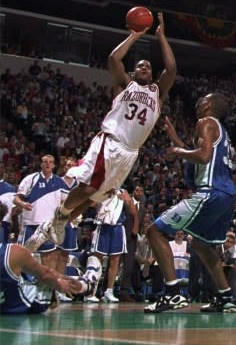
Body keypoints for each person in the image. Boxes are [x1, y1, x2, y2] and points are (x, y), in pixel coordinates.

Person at [29, 15, 176, 250]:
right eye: (140, 65)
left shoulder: (157, 93)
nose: (145, 67)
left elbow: (172, 68)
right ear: (133, 71)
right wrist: (135, 35)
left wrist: (161, 37)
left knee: (96, 196)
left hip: (130, 153)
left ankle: (58, 222)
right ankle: (60, 215)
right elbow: (113, 59)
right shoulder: (124, 84)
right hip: (111, 142)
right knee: (88, 187)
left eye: (148, 67)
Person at [144, 93, 236, 314]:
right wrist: (177, 140)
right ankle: (226, 298)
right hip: (227, 196)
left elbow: (203, 157)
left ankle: (172, 293)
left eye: (202, 100)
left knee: (154, 231)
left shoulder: (205, 122)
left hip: (211, 192)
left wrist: (177, 150)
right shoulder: (222, 132)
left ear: (211, 106)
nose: (197, 103)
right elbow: (200, 157)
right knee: (201, 245)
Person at [0, 203, 86, 314]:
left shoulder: (13, 251)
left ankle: (83, 285)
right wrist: (59, 285)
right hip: (17, 306)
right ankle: (85, 286)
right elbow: (44, 274)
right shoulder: (13, 252)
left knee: (30, 269)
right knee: (43, 278)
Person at [14, 155, 68, 285]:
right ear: (41, 164)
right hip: (30, 224)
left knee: (49, 257)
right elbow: (16, 198)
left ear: (54, 165)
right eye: (45, 162)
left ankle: (46, 287)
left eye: (50, 162)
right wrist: (23, 204)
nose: (48, 164)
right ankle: (20, 284)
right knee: (23, 256)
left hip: (49, 226)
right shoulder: (31, 179)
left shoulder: (60, 182)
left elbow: (66, 201)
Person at [83, 189, 136, 303]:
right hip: (103, 226)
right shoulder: (104, 188)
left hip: (117, 228)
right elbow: (91, 205)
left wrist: (129, 200)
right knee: (97, 259)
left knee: (115, 261)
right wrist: (101, 196)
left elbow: (133, 212)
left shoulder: (123, 192)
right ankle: (91, 291)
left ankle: (109, 291)